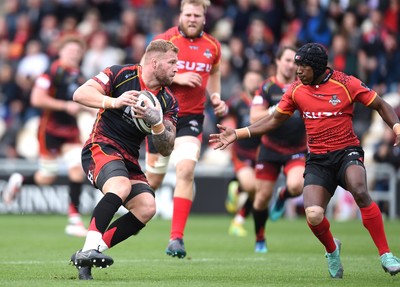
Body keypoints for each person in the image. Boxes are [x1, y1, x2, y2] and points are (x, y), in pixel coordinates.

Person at [209, 43, 400, 278]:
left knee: (360, 191)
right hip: (318, 160)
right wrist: (237, 133)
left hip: (346, 152)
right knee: (313, 214)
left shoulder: (346, 83)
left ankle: (386, 254)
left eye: (302, 66)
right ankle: (332, 250)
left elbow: (380, 104)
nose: (297, 71)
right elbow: (273, 120)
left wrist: (396, 126)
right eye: (296, 65)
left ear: (317, 67)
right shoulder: (295, 90)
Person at [69, 39, 179, 280]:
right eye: (171, 62)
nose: (176, 68)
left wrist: (156, 122)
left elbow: (166, 147)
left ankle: (90, 253)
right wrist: (114, 102)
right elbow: (80, 93)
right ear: (154, 62)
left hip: (129, 158)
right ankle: (89, 248)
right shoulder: (120, 74)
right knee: (120, 186)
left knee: (146, 207)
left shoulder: (168, 102)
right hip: (101, 146)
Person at [145, 0, 227, 259]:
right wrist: (175, 77)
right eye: (188, 14)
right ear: (181, 14)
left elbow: (214, 75)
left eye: (197, 15)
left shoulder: (213, 46)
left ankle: (176, 238)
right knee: (154, 181)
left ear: (204, 18)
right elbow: (144, 72)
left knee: (186, 169)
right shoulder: (164, 41)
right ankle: (131, 212)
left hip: (191, 117)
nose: (192, 18)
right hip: (160, 116)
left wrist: (215, 97)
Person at [3, 35, 91, 237]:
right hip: (50, 130)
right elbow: (36, 99)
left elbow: (81, 102)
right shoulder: (52, 72)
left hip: (70, 131)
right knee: (46, 177)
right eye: (70, 51)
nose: (74, 55)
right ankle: (20, 180)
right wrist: (64, 106)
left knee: (77, 169)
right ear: (60, 52)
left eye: (77, 52)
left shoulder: (79, 75)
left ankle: (74, 220)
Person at [249, 45, 306, 253]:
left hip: (296, 149)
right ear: (278, 61)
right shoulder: (267, 87)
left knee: (296, 186)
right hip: (270, 148)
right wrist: (277, 110)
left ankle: (283, 195)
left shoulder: (304, 86)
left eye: (295, 62)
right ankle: (260, 237)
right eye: (288, 60)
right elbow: (254, 117)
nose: (291, 65)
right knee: (262, 197)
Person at [224, 70, 263, 237]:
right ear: (244, 82)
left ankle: (238, 221)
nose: (253, 83)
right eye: (250, 80)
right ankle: (239, 188)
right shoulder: (238, 101)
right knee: (251, 187)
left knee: (259, 192)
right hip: (242, 151)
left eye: (256, 80)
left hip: (262, 152)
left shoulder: (265, 103)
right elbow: (225, 116)